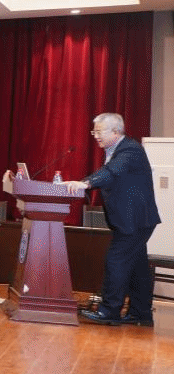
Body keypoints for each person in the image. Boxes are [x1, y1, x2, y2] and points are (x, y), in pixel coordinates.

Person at [64, 113, 162, 326]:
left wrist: (86, 184)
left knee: (116, 261)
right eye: (94, 131)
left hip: (135, 221)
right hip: (136, 221)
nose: (95, 136)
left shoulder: (130, 150)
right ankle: (141, 314)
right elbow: (108, 173)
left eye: (99, 131)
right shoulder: (117, 150)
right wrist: (82, 183)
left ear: (116, 132)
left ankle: (109, 312)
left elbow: (112, 172)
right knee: (137, 267)